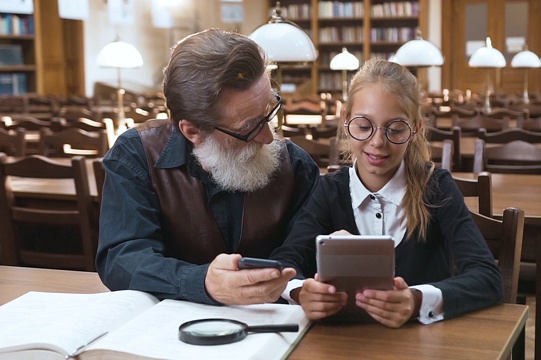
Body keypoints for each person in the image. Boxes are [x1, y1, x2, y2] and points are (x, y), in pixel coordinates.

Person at [270, 58, 502, 328]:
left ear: (415, 129)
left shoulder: (436, 187)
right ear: (346, 120)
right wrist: (301, 292)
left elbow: (487, 277)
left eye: (395, 129)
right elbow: (285, 263)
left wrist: (415, 300)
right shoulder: (328, 190)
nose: (378, 142)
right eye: (364, 126)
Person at [96, 28, 319, 306]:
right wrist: (202, 282)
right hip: (166, 331)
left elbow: (305, 249)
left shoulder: (296, 166)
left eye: (269, 112)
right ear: (192, 131)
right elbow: (122, 258)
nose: (268, 137)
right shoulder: (136, 155)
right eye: (249, 127)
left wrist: (290, 283)